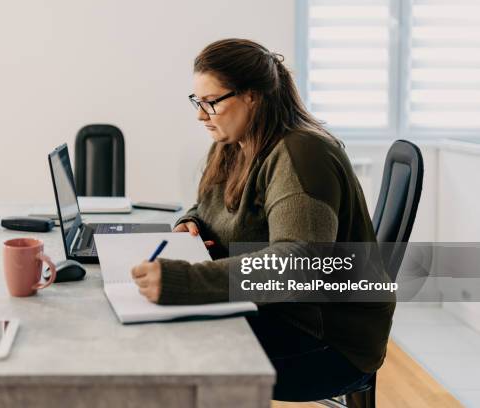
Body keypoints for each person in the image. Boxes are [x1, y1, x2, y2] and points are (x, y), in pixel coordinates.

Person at [130, 38, 395, 401]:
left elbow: (299, 262)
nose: (200, 114)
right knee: (163, 341)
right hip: (272, 309)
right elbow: (206, 209)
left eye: (211, 102)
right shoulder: (231, 144)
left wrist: (184, 280)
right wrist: (190, 223)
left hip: (326, 340)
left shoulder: (303, 153)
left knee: (175, 357)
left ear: (252, 96)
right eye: (197, 101)